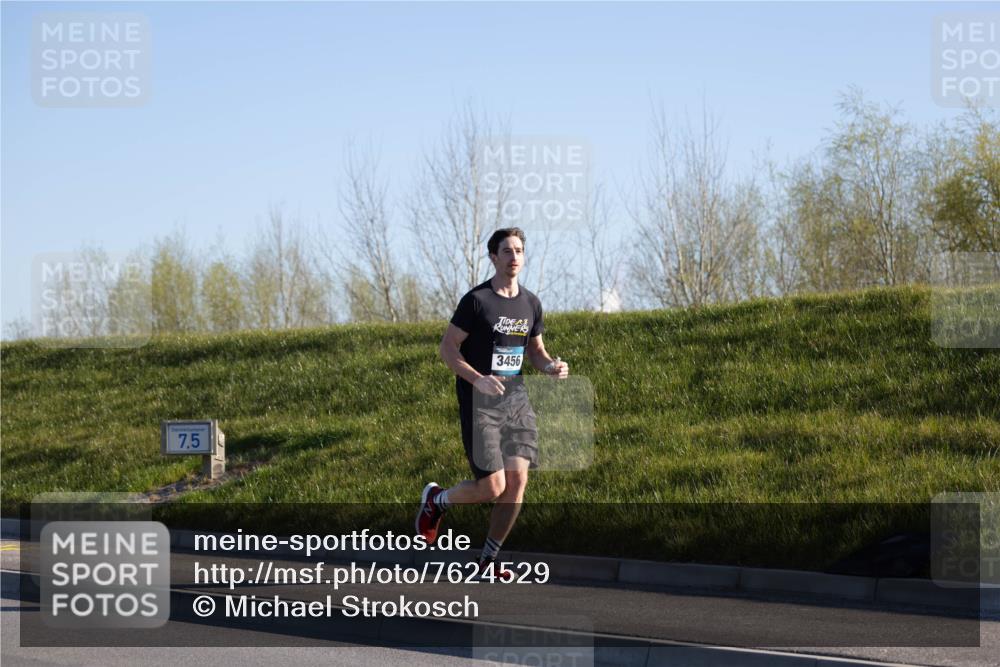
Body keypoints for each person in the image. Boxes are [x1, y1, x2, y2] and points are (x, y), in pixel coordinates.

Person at [415, 227, 569, 578]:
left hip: (516, 403)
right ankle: (436, 501)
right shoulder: (477, 301)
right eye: (507, 251)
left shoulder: (530, 302)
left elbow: (535, 349)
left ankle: (488, 560)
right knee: (492, 487)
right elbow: (447, 348)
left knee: (517, 483)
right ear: (493, 257)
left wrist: (550, 367)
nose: (514, 257)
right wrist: (477, 378)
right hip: (479, 404)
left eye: (519, 250)